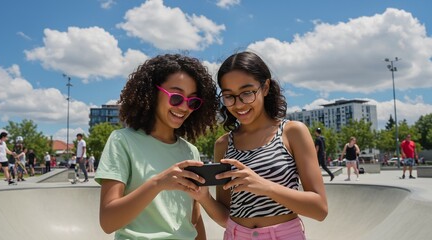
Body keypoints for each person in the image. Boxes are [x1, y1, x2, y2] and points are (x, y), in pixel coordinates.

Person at [196, 51, 328, 239]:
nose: (239, 104)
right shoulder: (223, 144)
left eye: (247, 93)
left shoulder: (292, 132)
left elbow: (320, 209)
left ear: (265, 87)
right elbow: (226, 216)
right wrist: (204, 198)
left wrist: (265, 186)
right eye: (229, 96)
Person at [94, 53, 219, 239]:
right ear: (153, 93)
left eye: (192, 101)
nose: (184, 107)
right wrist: (158, 183)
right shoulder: (122, 141)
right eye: (176, 97)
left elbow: (194, 219)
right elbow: (108, 221)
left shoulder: (190, 151)